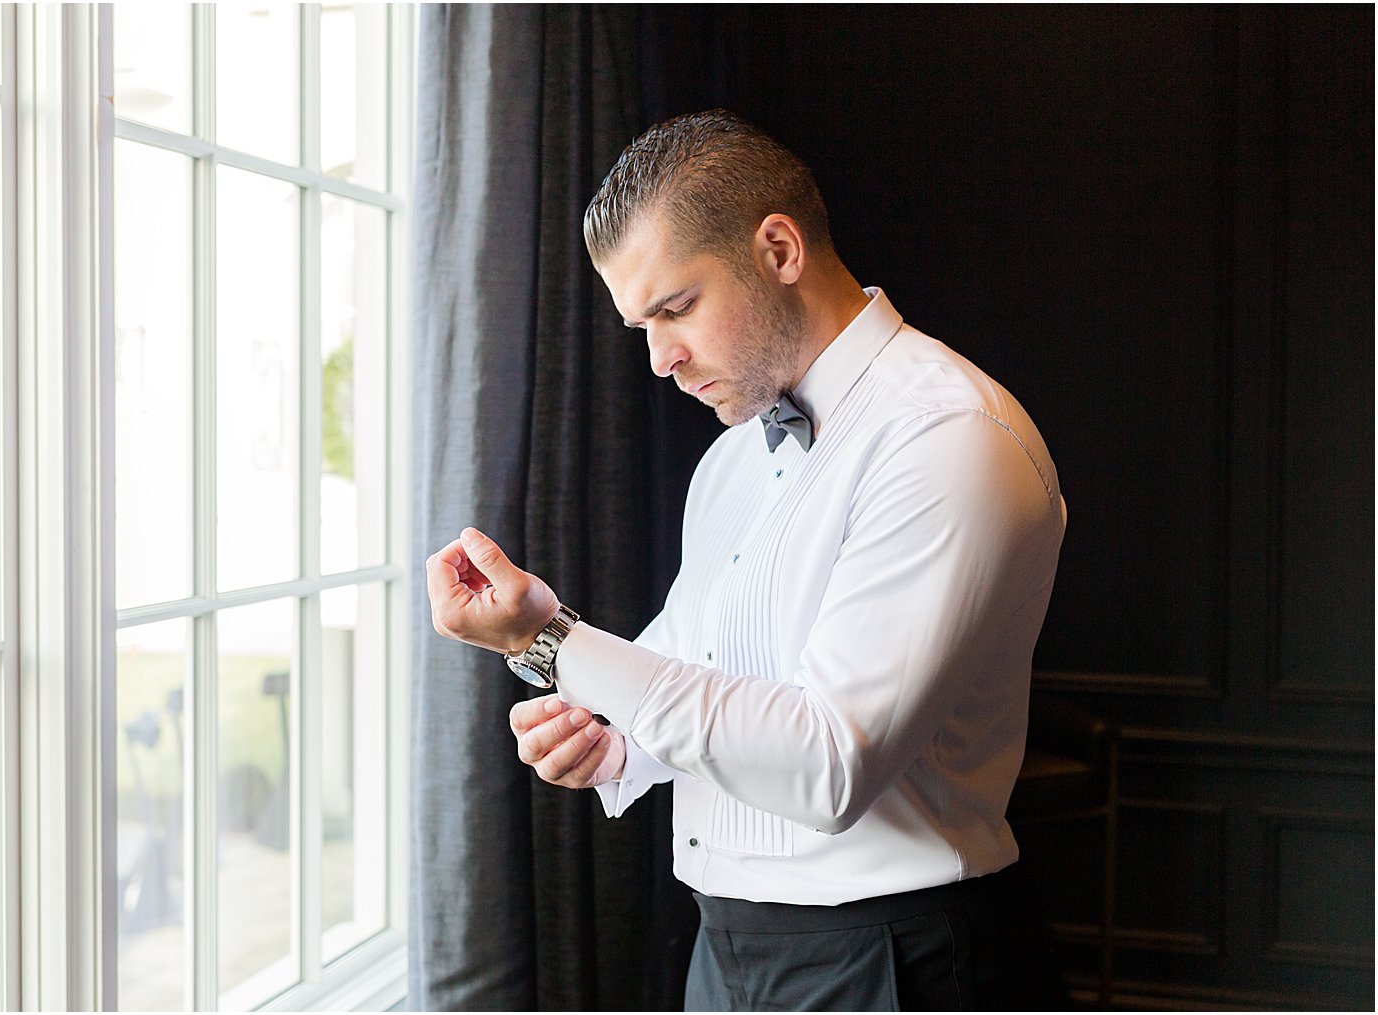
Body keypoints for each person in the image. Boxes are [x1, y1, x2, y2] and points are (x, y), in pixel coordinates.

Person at [425, 109, 1067, 1011]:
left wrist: (555, 638)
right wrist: (608, 739)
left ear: (778, 248)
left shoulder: (949, 436)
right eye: (639, 324)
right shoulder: (729, 460)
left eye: (676, 308)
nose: (659, 359)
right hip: (725, 954)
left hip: (894, 960)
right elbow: (692, 676)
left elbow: (827, 763)